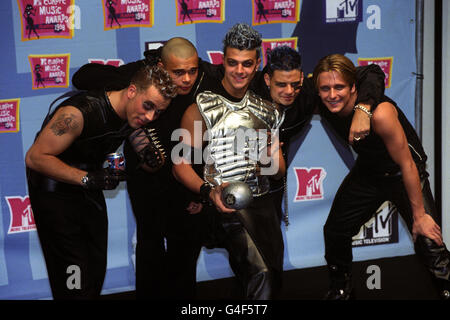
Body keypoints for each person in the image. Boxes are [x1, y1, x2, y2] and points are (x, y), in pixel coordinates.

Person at [72, 37, 220, 299]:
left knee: (185, 249)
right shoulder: (145, 71)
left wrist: (200, 192)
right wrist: (142, 73)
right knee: (150, 244)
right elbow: (83, 76)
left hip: (188, 173)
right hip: (147, 176)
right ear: (162, 66)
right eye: (178, 72)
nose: (186, 78)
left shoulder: (207, 76)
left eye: (192, 70)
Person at [25, 65, 176, 299]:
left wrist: (150, 157)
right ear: (132, 91)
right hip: (54, 193)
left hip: (88, 187)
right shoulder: (77, 114)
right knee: (73, 275)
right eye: (148, 106)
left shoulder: (132, 115)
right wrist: (86, 178)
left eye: (158, 112)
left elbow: (146, 161)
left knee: (94, 268)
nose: (150, 117)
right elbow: (35, 157)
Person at [312, 53, 450, 300]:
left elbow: (407, 163)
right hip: (369, 171)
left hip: (403, 173)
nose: (332, 95)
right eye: (325, 89)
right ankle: (341, 290)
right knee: (335, 231)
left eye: (339, 87)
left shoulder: (380, 114)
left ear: (354, 87)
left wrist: (419, 216)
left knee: (429, 241)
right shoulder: (323, 100)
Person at [172, 23, 285, 300]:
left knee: (272, 275)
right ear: (223, 61)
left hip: (263, 203)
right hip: (224, 205)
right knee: (261, 274)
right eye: (233, 62)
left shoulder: (268, 110)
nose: (239, 70)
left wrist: (271, 159)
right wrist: (208, 192)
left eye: (247, 64)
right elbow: (180, 166)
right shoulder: (201, 109)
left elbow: (278, 171)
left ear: (258, 64)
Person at [250, 46, 386, 223]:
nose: (290, 91)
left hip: (272, 179)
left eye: (294, 84)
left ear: (301, 77)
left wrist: (363, 108)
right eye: (281, 85)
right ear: (268, 79)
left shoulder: (309, 91)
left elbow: (372, 72)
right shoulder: (248, 90)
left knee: (268, 242)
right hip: (238, 176)